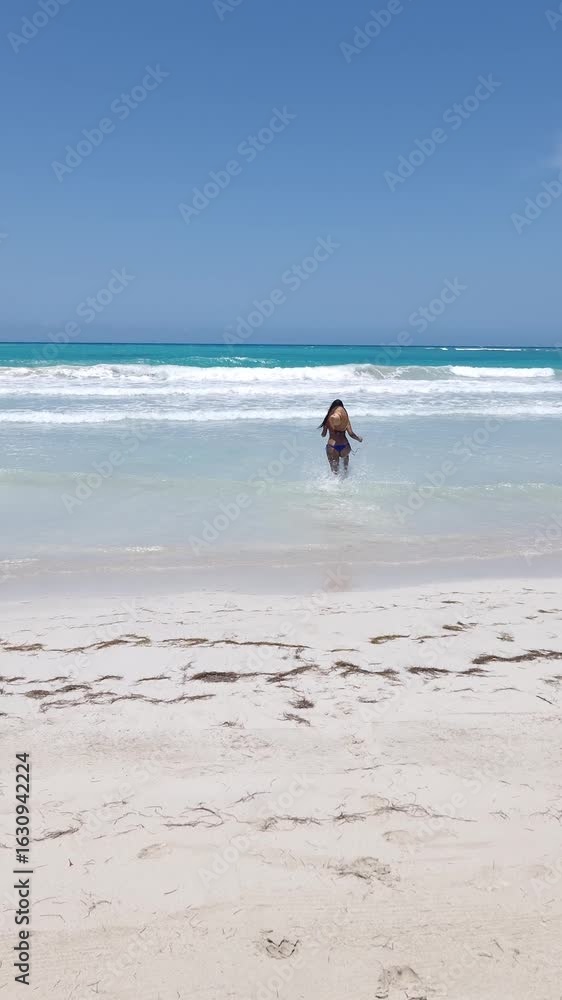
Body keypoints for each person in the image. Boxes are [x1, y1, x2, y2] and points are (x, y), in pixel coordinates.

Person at [319, 399, 363, 475]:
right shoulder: (345, 420)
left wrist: (325, 429)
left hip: (332, 447)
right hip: (345, 446)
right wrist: (359, 439)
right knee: (345, 471)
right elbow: (351, 434)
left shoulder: (328, 419)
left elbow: (323, 435)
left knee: (334, 473)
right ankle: (346, 478)